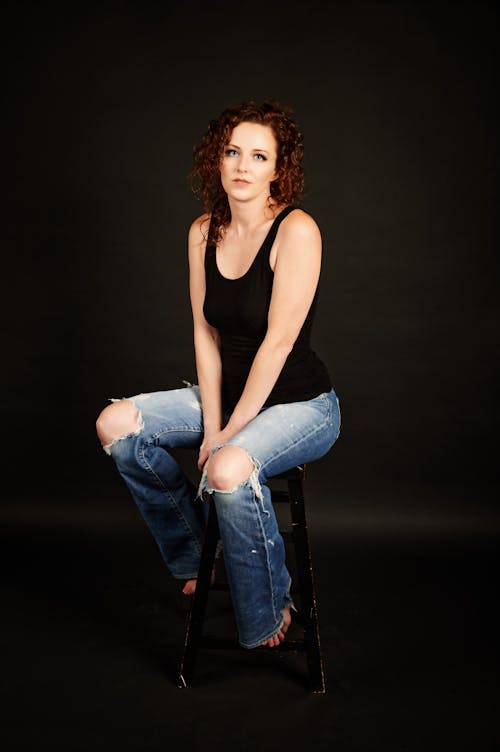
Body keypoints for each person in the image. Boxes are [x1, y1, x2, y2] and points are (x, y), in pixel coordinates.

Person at [96, 99, 341, 650]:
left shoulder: (296, 230)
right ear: (217, 158)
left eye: (259, 156)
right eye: (233, 152)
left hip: (299, 404)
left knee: (228, 469)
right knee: (117, 424)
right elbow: (205, 337)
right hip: (228, 397)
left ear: (279, 169)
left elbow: (277, 345)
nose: (242, 166)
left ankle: (265, 609)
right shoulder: (203, 231)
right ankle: (196, 554)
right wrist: (212, 421)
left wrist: (227, 435)